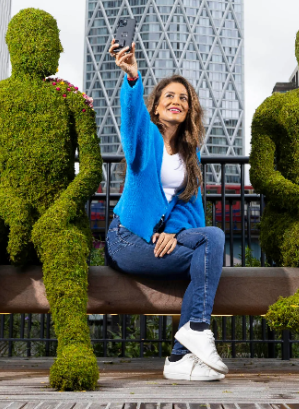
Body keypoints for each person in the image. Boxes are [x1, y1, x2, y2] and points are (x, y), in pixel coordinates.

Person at [105, 39, 228, 382]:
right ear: (156, 107)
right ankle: (184, 350)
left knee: (212, 240)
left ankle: (188, 344)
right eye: (169, 97)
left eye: (183, 98)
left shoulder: (191, 155)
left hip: (160, 237)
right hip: (127, 238)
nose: (176, 101)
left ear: (189, 110)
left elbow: (190, 209)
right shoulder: (145, 138)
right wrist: (132, 79)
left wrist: (173, 233)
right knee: (205, 260)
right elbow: (130, 122)